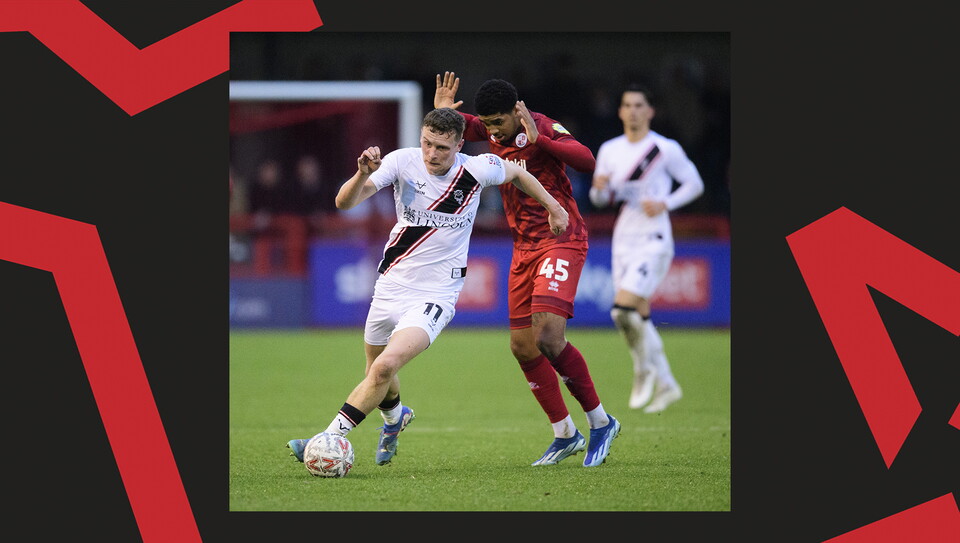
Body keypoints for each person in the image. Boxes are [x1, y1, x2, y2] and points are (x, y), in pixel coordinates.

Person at [286, 108, 570, 467]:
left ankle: (328, 437)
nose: (432, 154)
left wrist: (555, 207)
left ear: (459, 145)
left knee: (386, 366)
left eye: (441, 148)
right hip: (390, 285)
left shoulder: (476, 168)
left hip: (436, 294)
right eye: (427, 144)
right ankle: (394, 420)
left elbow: (517, 173)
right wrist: (361, 175)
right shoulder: (402, 162)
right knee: (376, 372)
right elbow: (344, 202)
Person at [435, 71, 620, 467]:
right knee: (522, 346)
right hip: (523, 248)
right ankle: (565, 434)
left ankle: (601, 422)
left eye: (498, 123)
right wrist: (443, 113)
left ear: (517, 112)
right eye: (486, 126)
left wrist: (545, 141)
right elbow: (456, 131)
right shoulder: (490, 128)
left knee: (549, 336)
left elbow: (587, 160)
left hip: (562, 237)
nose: (492, 133)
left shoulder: (542, 126)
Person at [589, 84, 705, 413]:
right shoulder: (610, 149)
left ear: (650, 111)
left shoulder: (664, 149)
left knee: (622, 310)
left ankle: (643, 371)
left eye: (640, 105)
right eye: (627, 105)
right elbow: (601, 200)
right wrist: (599, 190)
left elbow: (695, 183)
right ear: (620, 111)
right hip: (624, 235)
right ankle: (667, 383)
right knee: (639, 314)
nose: (634, 111)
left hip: (654, 238)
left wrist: (666, 202)